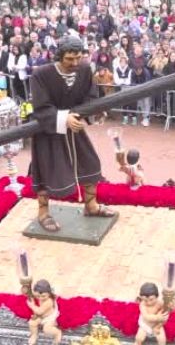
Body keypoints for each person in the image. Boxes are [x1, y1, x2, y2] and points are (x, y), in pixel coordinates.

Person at [29, 37, 117, 232]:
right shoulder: (40, 75)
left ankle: (91, 206)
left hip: (74, 127)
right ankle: (43, 213)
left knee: (90, 162)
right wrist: (63, 118)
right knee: (46, 171)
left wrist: (91, 113)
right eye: (70, 59)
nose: (75, 63)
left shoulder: (85, 70)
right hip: (48, 131)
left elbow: (91, 97)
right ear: (59, 56)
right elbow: (40, 107)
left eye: (78, 58)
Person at [27, 279, 62, 345]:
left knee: (46, 329)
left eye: (43, 296)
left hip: (50, 318)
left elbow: (39, 311)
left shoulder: (48, 302)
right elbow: (31, 293)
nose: (40, 298)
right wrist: (27, 289)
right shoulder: (39, 295)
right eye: (38, 296)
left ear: (49, 294)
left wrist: (32, 305)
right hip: (42, 316)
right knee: (32, 323)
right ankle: (34, 335)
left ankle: (57, 333)